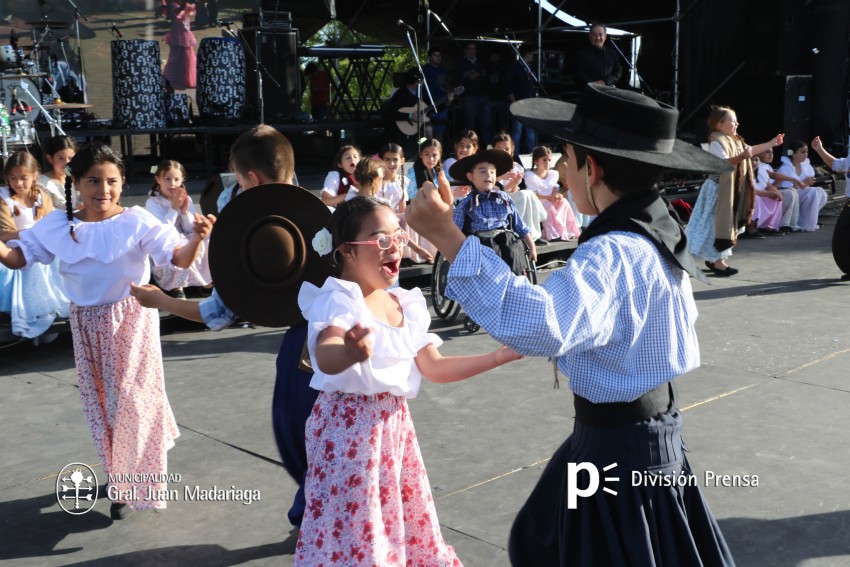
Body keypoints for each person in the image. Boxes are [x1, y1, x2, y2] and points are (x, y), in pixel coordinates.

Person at [406, 85, 736, 566]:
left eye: (566, 156)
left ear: (592, 168)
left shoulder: (615, 250)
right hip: (634, 436)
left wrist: (448, 239)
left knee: (576, 549)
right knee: (545, 538)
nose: (561, 167)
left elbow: (542, 324)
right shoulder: (652, 228)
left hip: (619, 450)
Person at [294, 196, 521, 565]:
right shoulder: (340, 298)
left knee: (400, 524)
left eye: (397, 237)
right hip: (350, 435)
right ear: (347, 252)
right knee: (359, 533)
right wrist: (349, 352)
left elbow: (433, 366)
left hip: (394, 429)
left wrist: (496, 357)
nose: (394, 246)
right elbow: (326, 350)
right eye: (380, 239)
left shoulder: (404, 302)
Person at [0, 143, 212, 519]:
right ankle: (121, 471)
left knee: (130, 401)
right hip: (86, 325)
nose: (103, 190)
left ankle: (132, 482)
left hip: (132, 321)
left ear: (122, 182)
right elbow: (19, 257)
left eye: (111, 181)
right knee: (103, 405)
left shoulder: (137, 221)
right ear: (76, 183)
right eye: (93, 181)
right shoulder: (59, 225)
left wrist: (196, 237)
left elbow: (177, 258)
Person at [132, 129, 324, 529]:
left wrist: (162, 301)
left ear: (251, 178)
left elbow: (219, 312)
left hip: (306, 352)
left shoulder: (258, 232)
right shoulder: (324, 217)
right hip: (348, 342)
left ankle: (318, 512)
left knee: (298, 437)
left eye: (238, 179)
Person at [686, 106, 783, 276]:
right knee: (714, 225)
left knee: (720, 225)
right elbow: (724, 163)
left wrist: (771, 143)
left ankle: (714, 259)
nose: (736, 123)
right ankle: (717, 261)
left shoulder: (736, 140)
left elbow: (750, 150)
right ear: (720, 124)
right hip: (717, 191)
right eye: (732, 120)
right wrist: (742, 157)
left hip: (729, 190)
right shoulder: (716, 141)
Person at [0, 152, 69, 339]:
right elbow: (4, 234)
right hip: (13, 246)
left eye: (23, 178)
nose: (18, 184)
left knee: (59, 257)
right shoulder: (4, 198)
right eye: (13, 178)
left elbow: (49, 225)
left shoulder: (41, 197)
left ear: (34, 176)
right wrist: (32, 234)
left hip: (40, 244)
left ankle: (51, 306)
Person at [450, 149, 537, 274]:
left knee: (511, 242)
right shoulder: (466, 204)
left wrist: (532, 246)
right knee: (488, 246)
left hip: (506, 242)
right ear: (470, 176)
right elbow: (455, 233)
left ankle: (516, 280)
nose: (488, 175)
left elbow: (520, 225)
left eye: (492, 172)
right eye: (483, 171)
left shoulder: (504, 198)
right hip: (481, 244)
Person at [146, 160, 213, 298]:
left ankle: (206, 283)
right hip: (165, 240)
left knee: (206, 239)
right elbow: (162, 229)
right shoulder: (153, 202)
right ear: (158, 179)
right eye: (167, 179)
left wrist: (184, 212)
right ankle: (177, 286)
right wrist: (174, 208)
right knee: (176, 247)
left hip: (184, 235)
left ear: (182, 180)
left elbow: (190, 228)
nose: (172, 184)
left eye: (176, 179)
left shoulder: (185, 198)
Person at [491, 133, 548, 245]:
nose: (504, 151)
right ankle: (531, 231)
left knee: (527, 194)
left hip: (509, 199)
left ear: (512, 150)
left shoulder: (516, 166)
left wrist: (515, 183)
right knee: (525, 195)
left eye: (506, 149)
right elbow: (493, 192)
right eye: (500, 148)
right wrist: (501, 177)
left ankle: (532, 235)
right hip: (496, 201)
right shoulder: (491, 167)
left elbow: (514, 192)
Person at [525, 145, 581, 241]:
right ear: (536, 161)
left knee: (564, 202)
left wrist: (556, 195)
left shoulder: (552, 174)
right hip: (539, 200)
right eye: (544, 160)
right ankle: (552, 234)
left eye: (549, 160)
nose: (547, 163)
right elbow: (533, 194)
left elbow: (554, 187)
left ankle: (567, 231)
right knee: (549, 206)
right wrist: (548, 198)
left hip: (550, 198)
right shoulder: (530, 176)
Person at [776, 140, 828, 231]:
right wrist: (803, 183)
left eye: (806, 152)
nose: (806, 154)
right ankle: (806, 224)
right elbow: (786, 190)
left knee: (821, 192)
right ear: (793, 154)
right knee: (812, 192)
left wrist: (807, 183)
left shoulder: (806, 166)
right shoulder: (785, 168)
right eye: (803, 152)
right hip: (790, 196)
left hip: (801, 194)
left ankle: (808, 220)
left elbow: (807, 185)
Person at [755, 148, 802, 233]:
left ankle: (791, 224)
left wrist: (776, 187)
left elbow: (770, 185)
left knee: (793, 191)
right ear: (759, 154)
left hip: (770, 191)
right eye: (767, 152)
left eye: (772, 152)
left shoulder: (767, 166)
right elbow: (774, 176)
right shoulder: (759, 166)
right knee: (789, 194)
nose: (771, 155)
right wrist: (793, 179)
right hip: (762, 194)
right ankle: (782, 225)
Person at [454, 41, 492, 144]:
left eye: (474, 49)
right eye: (470, 48)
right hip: (469, 98)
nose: (472, 51)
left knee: (486, 125)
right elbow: (458, 82)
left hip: (483, 97)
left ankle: (488, 149)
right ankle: (468, 148)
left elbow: (487, 79)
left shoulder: (481, 63)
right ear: (465, 50)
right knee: (470, 126)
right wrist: (470, 78)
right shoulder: (461, 64)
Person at [507, 44, 538, 154]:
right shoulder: (514, 68)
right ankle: (515, 155)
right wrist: (514, 103)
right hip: (518, 105)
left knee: (530, 132)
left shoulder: (531, 68)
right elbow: (508, 88)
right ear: (527, 54)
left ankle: (533, 155)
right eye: (532, 53)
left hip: (530, 105)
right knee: (517, 132)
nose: (533, 56)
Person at [163, 0, 198, 91]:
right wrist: (184, 8)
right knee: (175, 58)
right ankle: (171, 78)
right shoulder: (173, 5)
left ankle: (185, 79)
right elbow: (178, 16)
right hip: (178, 35)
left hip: (185, 34)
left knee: (187, 58)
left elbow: (192, 9)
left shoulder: (181, 6)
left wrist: (193, 5)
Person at [575, 22, 622, 87]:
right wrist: (594, 84)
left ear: (605, 37)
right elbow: (578, 73)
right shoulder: (581, 54)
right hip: (589, 90)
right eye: (594, 35)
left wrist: (605, 81)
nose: (598, 38)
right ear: (590, 36)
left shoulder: (612, 53)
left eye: (600, 35)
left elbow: (618, 71)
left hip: (609, 90)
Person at [37, 135, 77, 209]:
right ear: (50, 158)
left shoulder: (78, 178)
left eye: (71, 158)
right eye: (61, 158)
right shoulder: (43, 184)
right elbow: (48, 211)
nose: (67, 163)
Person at [422, 47, 452, 143]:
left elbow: (447, 85)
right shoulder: (424, 70)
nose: (438, 57)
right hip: (428, 105)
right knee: (428, 131)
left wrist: (450, 95)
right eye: (435, 55)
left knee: (440, 131)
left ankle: (440, 153)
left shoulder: (443, 70)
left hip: (442, 104)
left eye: (439, 55)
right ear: (430, 57)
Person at [750, 152, 785, 234]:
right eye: (751, 160)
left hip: (761, 194)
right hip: (747, 197)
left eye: (756, 160)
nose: (754, 163)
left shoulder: (760, 171)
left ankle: (768, 226)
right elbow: (750, 190)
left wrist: (775, 193)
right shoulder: (742, 173)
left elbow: (768, 185)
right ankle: (751, 228)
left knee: (777, 199)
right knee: (756, 199)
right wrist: (768, 194)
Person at [443, 129, 479, 201]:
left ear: (475, 149)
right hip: (451, 201)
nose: (464, 149)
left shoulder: (476, 165)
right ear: (456, 146)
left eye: (468, 147)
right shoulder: (450, 162)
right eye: (461, 145)